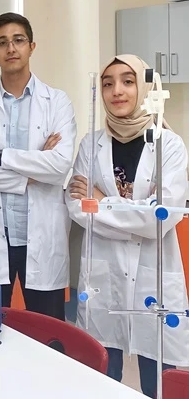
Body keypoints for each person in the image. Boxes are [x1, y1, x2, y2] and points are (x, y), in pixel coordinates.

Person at [66, 54, 189, 398]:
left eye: (127, 81)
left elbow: (160, 219)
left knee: (159, 383)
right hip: (103, 276)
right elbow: (76, 207)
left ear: (144, 88)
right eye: (107, 84)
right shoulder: (91, 144)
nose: (116, 91)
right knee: (100, 376)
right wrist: (137, 213)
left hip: (154, 277)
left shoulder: (169, 145)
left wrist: (101, 201)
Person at [0, 12, 76, 320]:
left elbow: (59, 165)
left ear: (32, 46)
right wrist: (29, 175)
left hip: (42, 235)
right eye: (2, 42)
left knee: (48, 331)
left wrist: (1, 157)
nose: (11, 48)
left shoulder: (57, 102)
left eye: (18, 40)